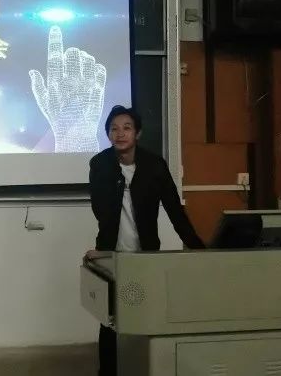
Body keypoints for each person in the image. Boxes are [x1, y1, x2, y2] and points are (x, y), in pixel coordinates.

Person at [83, 105, 205, 375]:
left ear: (137, 133)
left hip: (146, 255)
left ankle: (144, 367)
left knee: (145, 312)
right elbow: (101, 211)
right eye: (113, 129)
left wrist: (197, 247)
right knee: (110, 318)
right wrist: (103, 252)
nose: (120, 133)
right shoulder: (100, 165)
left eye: (126, 128)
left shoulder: (154, 165)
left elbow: (174, 210)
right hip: (111, 254)